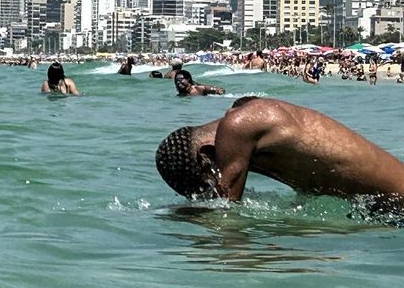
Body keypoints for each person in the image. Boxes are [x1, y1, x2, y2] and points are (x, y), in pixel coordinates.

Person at [156, 97, 404, 207]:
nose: (213, 184)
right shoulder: (248, 118)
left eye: (208, 178)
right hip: (381, 205)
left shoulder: (238, 126)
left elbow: (226, 213)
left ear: (205, 156)